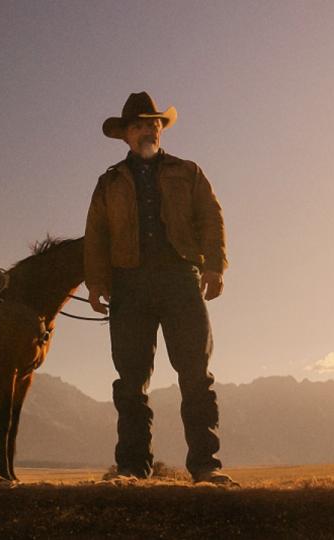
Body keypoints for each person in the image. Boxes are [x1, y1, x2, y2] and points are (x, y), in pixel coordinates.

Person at [84, 92, 234, 485]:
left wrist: (215, 266)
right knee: (130, 382)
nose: (148, 130)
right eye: (138, 124)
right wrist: (97, 283)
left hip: (180, 279)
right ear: (126, 136)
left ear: (160, 130)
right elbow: (95, 236)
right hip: (128, 285)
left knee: (196, 375)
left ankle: (206, 466)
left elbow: (211, 219)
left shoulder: (189, 172)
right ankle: (132, 469)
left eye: (154, 123)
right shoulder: (109, 182)